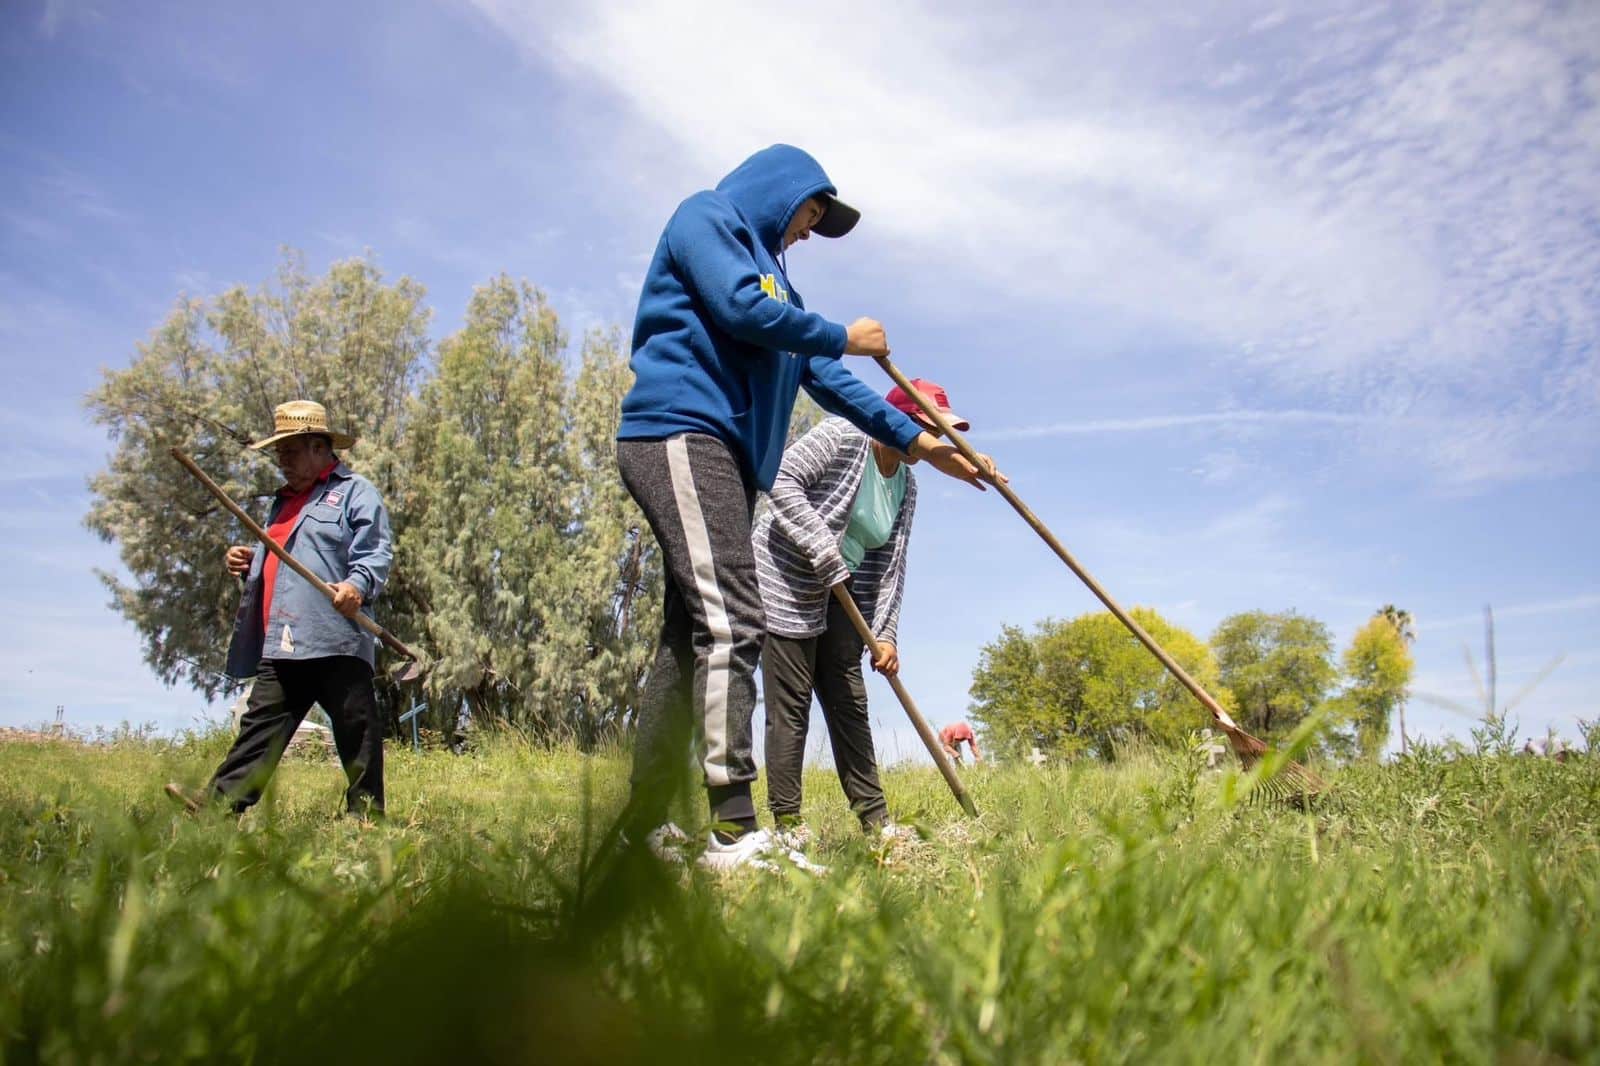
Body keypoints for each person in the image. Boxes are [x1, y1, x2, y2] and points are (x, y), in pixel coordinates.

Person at [614, 143, 990, 870]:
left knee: (686, 637)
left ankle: (643, 823)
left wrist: (918, 443)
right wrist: (843, 334)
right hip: (679, 434)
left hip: (719, 454)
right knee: (733, 617)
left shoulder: (781, 289)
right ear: (781, 193)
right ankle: (735, 830)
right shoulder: (707, 218)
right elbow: (737, 308)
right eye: (810, 214)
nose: (809, 232)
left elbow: (830, 380)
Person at [755, 379, 998, 845]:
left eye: (941, 433)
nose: (935, 442)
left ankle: (876, 823)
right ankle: (788, 826)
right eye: (929, 428)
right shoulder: (842, 436)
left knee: (850, 703)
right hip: (786, 578)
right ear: (895, 418)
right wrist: (822, 548)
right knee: (792, 707)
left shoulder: (907, 484)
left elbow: (890, 564)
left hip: (843, 590)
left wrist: (885, 633)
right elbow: (780, 481)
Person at [165, 400, 393, 818]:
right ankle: (217, 808)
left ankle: (367, 821)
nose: (282, 461)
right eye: (279, 452)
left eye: (290, 450)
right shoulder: (283, 503)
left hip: (335, 637)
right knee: (260, 730)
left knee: (356, 731)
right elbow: (288, 560)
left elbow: (376, 552)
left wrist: (355, 585)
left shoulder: (355, 493)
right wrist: (251, 561)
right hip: (284, 638)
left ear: (319, 447)